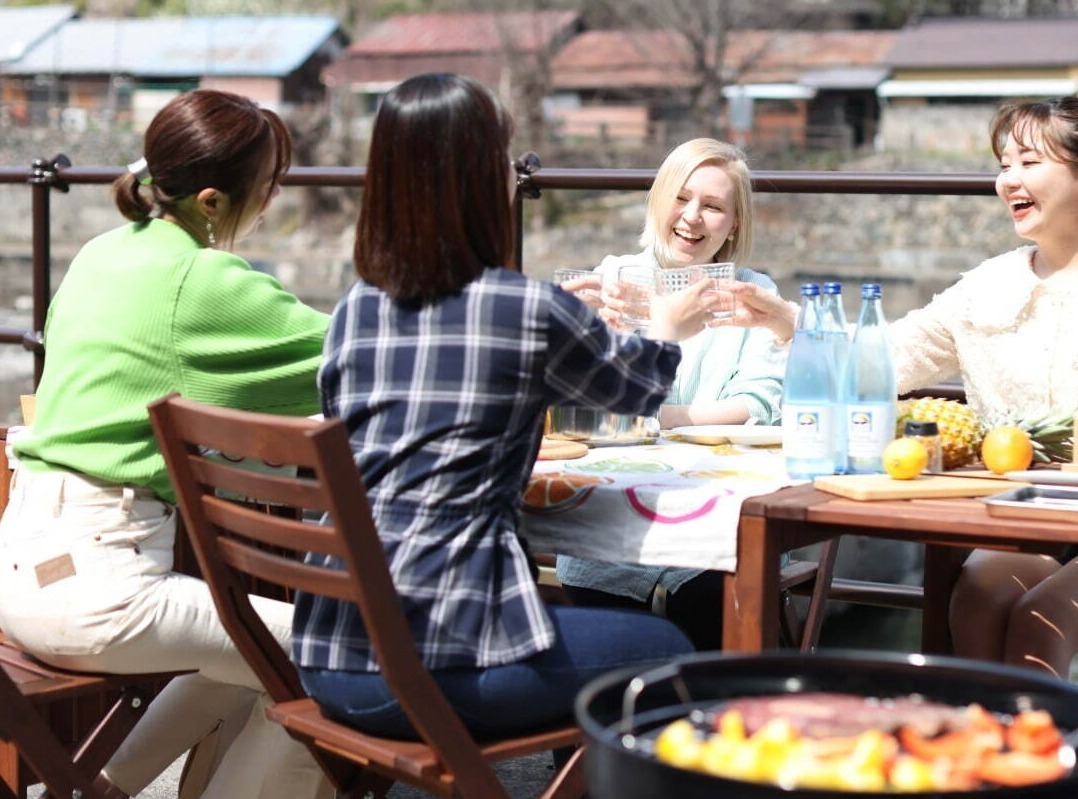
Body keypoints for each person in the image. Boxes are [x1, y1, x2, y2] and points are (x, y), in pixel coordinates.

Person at [292, 72, 697, 741]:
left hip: (327, 650)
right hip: (436, 661)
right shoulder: (524, 308)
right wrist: (664, 323)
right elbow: (639, 388)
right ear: (480, 177)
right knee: (675, 652)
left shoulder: (355, 308)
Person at [0, 89, 332, 798]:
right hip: (104, 586)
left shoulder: (100, 254)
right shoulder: (199, 278)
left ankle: (101, 789)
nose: (272, 199)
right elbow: (359, 353)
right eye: (269, 184)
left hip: (24, 564)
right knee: (339, 667)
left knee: (245, 658)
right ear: (212, 200)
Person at [889, 96, 1078, 678]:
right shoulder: (987, 286)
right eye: (1004, 164)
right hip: (1023, 522)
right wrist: (784, 323)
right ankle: (985, 760)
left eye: (1028, 163)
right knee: (978, 600)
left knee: (1043, 617)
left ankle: (1046, 764)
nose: (1009, 180)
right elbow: (885, 360)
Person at [554, 138, 784, 650]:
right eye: (681, 198)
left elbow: (759, 404)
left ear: (736, 223)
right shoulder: (611, 281)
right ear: (658, 200)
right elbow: (586, 402)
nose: (693, 218)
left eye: (714, 206)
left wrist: (657, 418)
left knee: (712, 595)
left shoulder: (750, 292)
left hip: (716, 524)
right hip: (611, 532)